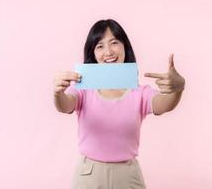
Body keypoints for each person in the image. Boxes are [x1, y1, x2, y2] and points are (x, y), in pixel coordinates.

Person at [53, 19, 185, 189]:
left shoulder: (140, 91)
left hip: (128, 175)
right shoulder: (83, 89)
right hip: (89, 174)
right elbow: (65, 105)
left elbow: (163, 104)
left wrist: (178, 89)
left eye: (114, 42)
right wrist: (57, 93)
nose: (108, 51)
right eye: (100, 46)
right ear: (92, 52)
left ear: (125, 47)